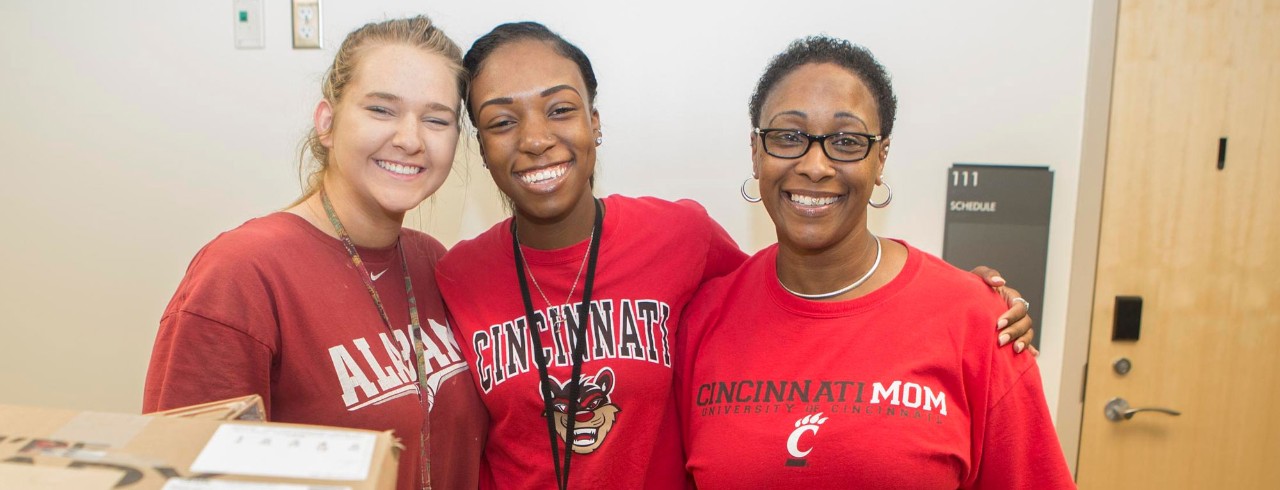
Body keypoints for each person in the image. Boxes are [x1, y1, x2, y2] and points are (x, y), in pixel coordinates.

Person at [436, 22, 1037, 490]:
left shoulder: (682, 238)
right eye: (501, 121)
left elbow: (808, 292)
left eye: (561, 108)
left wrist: (969, 303)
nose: (537, 138)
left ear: (596, 123)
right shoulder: (453, 276)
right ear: (480, 146)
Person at [675, 36, 1075, 489]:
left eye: (846, 141)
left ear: (880, 157)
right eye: (788, 137)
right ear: (756, 151)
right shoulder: (703, 322)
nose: (815, 165)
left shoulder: (976, 321)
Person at [143, 16, 485, 490]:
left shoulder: (432, 261)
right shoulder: (242, 274)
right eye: (382, 110)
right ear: (327, 122)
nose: (410, 138)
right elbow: (180, 476)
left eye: (436, 119)